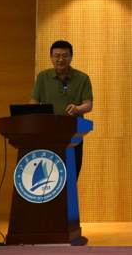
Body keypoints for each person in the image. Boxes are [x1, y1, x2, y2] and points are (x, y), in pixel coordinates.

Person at [30, 39, 93, 173]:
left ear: (71, 57)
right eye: (57, 56)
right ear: (51, 57)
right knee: (49, 174)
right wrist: (30, 117)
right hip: (47, 133)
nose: (60, 59)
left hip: (73, 133)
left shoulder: (82, 78)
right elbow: (34, 101)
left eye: (65, 55)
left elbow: (88, 105)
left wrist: (77, 109)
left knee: (71, 173)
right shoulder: (43, 76)